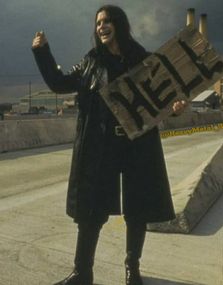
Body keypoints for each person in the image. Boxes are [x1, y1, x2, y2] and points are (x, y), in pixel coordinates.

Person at [32, 5, 186, 285]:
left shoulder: (144, 59)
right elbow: (58, 83)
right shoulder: (91, 62)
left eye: (106, 21)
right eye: (98, 23)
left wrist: (175, 108)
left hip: (136, 144)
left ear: (119, 24)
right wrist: (42, 52)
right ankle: (82, 273)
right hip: (100, 145)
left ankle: (132, 270)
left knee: (137, 209)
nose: (101, 26)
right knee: (91, 210)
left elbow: (168, 98)